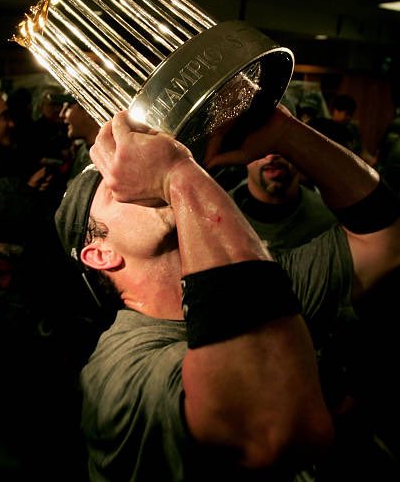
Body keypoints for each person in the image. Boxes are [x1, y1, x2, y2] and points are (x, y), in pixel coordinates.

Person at [55, 105, 400, 481]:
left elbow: (384, 241)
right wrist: (177, 173)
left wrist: (285, 134)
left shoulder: (257, 290)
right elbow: (272, 430)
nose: (135, 179)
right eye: (115, 187)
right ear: (100, 254)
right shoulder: (116, 372)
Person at [229, 152, 337, 252]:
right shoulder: (218, 215)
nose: (270, 157)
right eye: (261, 147)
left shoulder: (328, 221)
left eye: (280, 146)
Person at [58, 94, 100, 183]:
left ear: (89, 109)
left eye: (68, 107)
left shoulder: (107, 156)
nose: (61, 114)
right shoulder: (81, 151)